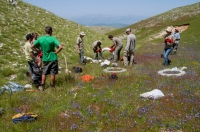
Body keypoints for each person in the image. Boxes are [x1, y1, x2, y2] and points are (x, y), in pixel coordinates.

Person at [32, 26, 63, 90]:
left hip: (45, 58)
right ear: (51, 31)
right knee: (53, 73)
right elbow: (61, 47)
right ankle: (52, 86)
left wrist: (38, 51)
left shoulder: (40, 39)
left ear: (45, 31)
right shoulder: (53, 39)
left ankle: (42, 86)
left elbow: (32, 46)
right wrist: (56, 52)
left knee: (44, 73)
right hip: (53, 58)